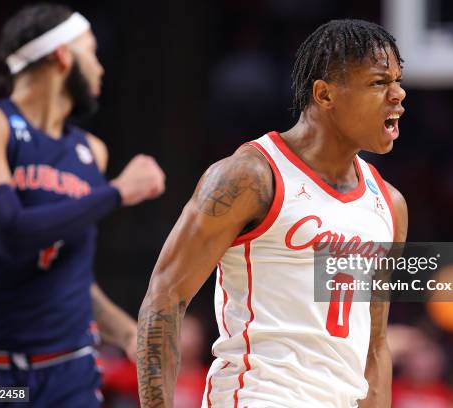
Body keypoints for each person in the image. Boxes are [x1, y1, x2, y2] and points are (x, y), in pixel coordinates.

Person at [137, 19, 408, 408]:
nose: (398, 94)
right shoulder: (250, 176)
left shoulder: (389, 203)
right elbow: (165, 296)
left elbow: (375, 346)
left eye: (398, 80)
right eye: (379, 82)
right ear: (325, 94)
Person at [0, 4, 165, 407]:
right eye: (92, 52)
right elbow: (11, 235)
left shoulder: (91, 152)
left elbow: (71, 272)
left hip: (69, 370)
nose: (101, 68)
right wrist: (117, 191)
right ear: (63, 55)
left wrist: (128, 332)